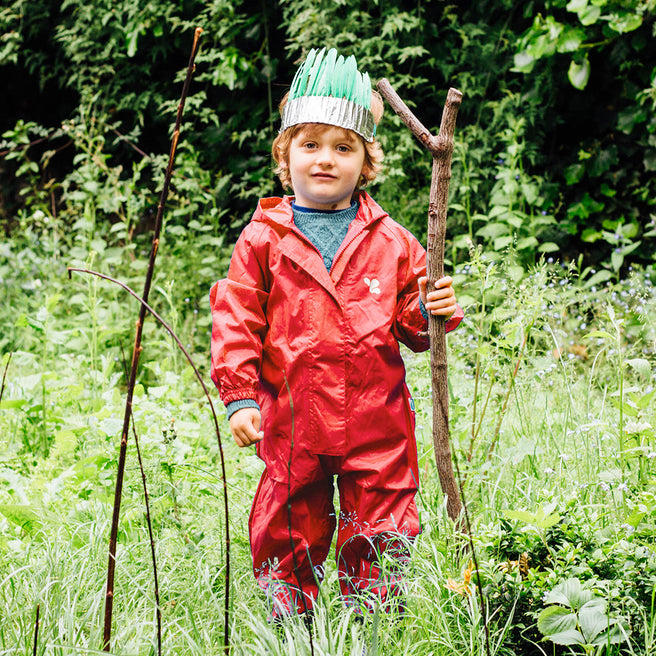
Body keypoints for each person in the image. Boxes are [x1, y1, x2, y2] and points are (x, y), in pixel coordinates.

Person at [209, 47, 463, 622]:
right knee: (288, 518)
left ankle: (367, 620)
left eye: (343, 147)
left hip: (378, 421)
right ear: (286, 155)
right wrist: (240, 398)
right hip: (292, 416)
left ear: (366, 163)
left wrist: (433, 308)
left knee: (382, 520)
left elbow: (417, 325)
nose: (326, 159)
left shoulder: (395, 240)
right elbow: (238, 317)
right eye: (311, 145)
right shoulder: (263, 239)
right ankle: (288, 620)